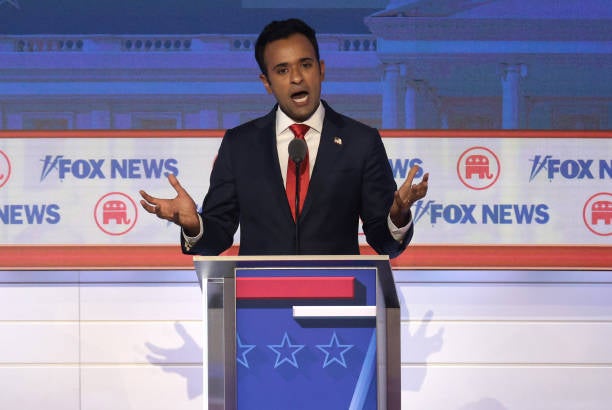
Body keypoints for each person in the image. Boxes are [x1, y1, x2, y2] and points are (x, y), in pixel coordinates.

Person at [139, 18, 428, 258]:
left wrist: (397, 217)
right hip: (258, 304)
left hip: (337, 305)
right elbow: (218, 235)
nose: (297, 78)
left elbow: (384, 241)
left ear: (321, 69)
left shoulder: (360, 141)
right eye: (282, 70)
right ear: (266, 82)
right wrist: (194, 226)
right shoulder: (240, 145)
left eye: (306, 65)